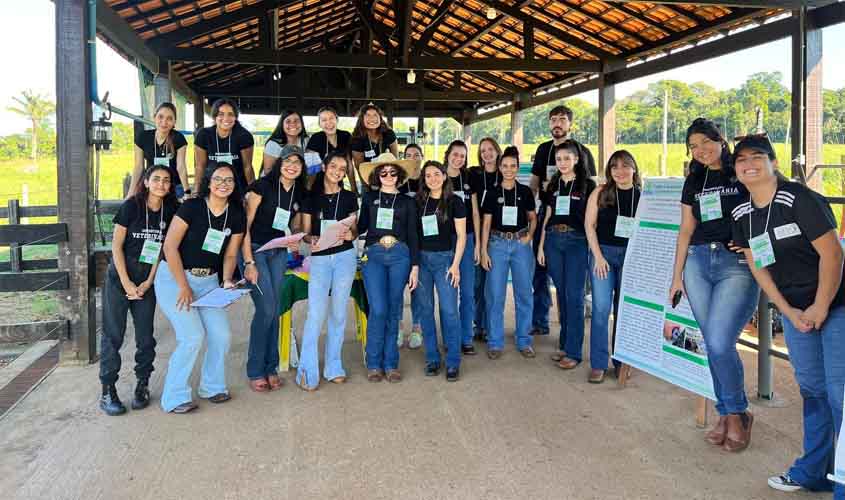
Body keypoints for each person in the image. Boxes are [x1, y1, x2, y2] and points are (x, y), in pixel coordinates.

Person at [729, 134, 845, 495]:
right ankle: (814, 472)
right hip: (797, 313)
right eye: (741, 159)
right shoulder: (742, 215)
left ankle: (842, 480)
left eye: (757, 157)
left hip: (836, 305)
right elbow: (757, 266)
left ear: (773, 162)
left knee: (840, 391)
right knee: (813, 390)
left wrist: (820, 306)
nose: (749, 164)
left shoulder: (799, 200)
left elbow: (833, 255)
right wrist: (789, 312)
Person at [668, 118, 759, 451]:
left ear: (720, 140)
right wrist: (676, 276)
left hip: (734, 264)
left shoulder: (741, 171)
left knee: (720, 343)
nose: (701, 150)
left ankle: (735, 412)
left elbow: (766, 208)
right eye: (693, 146)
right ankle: (729, 413)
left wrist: (752, 244)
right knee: (712, 342)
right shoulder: (694, 179)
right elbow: (685, 230)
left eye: (706, 142)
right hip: (696, 262)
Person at [156, 162, 246, 414]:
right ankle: (173, 396)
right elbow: (170, 247)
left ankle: (212, 386)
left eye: (229, 180)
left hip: (209, 281)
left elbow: (230, 255)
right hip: (174, 277)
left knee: (221, 335)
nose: (223, 184)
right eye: (218, 179)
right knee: (192, 336)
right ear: (208, 181)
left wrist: (227, 281)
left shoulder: (236, 213)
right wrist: (183, 286)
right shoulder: (192, 207)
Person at [99, 165, 178, 415]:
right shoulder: (131, 206)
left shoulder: (171, 210)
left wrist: (148, 282)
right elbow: (116, 246)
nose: (161, 184)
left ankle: (142, 383)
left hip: (146, 279)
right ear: (145, 182)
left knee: (145, 336)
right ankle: (107, 390)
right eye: (156, 179)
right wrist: (126, 283)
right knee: (114, 335)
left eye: (166, 180)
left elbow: (163, 249)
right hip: (119, 277)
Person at [240, 145, 307, 392]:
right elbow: (243, 227)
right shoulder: (261, 187)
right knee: (266, 308)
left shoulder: (297, 193)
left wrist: (298, 237)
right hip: (255, 250)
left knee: (275, 308)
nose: (292, 166)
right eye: (288, 161)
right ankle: (256, 369)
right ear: (279, 162)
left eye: (297, 163)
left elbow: (295, 225)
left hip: (278, 251)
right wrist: (248, 261)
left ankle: (271, 366)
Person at [529, 105, 597, 337]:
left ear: (570, 124)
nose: (557, 123)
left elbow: (593, 187)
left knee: (573, 288)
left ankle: (571, 331)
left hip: (577, 227)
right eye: (553, 119)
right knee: (540, 270)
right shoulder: (543, 150)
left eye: (562, 119)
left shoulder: (583, 151)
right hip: (548, 216)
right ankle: (540, 320)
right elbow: (534, 183)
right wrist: (528, 209)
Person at [297, 151, 359, 391]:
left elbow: (354, 230)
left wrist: (349, 234)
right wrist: (310, 239)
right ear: (325, 167)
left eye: (342, 169)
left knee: (339, 313)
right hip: (321, 258)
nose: (337, 172)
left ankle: (334, 366)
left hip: (345, 257)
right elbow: (305, 233)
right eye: (334, 166)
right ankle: (307, 370)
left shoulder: (350, 197)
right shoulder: (310, 198)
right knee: (316, 314)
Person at [357, 152, 420, 383]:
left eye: (393, 172)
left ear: (400, 175)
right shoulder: (369, 198)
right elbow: (361, 225)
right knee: (379, 309)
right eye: (383, 172)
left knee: (394, 310)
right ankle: (373, 361)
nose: (388, 175)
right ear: (376, 175)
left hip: (400, 256)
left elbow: (414, 235)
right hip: (373, 255)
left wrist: (415, 266)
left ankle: (391, 363)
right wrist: (345, 227)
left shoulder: (408, 201)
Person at [583, 150, 641, 383]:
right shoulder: (600, 193)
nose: (620, 171)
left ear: (634, 169)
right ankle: (598, 363)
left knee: (624, 311)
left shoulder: (643, 196)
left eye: (625, 166)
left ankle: (621, 361)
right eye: (615, 167)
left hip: (631, 257)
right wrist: (597, 256)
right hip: (603, 255)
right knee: (601, 308)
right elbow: (589, 225)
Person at [537, 140, 596, 369]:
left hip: (577, 242)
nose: (562, 163)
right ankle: (564, 345)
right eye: (559, 159)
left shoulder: (588, 186)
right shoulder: (553, 184)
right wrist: (541, 246)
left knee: (574, 296)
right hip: (553, 240)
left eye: (567, 158)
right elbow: (547, 216)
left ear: (577, 159)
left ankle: (574, 352)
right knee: (562, 294)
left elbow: (592, 220)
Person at [480, 146, 537, 359]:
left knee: (524, 293)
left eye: (513, 166)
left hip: (520, 246)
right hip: (497, 245)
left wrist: (529, 236)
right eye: (505, 165)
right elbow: (485, 224)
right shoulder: (493, 193)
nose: (509, 169)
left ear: (518, 167)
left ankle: (524, 340)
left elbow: (533, 218)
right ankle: (495, 342)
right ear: (500, 167)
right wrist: (485, 251)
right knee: (495, 295)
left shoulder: (525, 192)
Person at [414, 160, 467, 381]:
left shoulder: (454, 201)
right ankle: (433, 359)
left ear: (445, 176)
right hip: (423, 261)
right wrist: (414, 265)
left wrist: (455, 265)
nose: (432, 179)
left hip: (445, 260)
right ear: (423, 179)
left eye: (436, 174)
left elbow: (462, 236)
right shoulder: (418, 202)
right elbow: (413, 236)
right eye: (428, 175)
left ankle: (453, 361)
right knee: (426, 311)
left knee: (449, 311)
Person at [443, 140, 480, 355]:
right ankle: (450, 338)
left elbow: (475, 212)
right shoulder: (438, 176)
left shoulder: (469, 179)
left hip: (466, 240)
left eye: (462, 156)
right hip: (444, 242)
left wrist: (475, 244)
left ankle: (466, 338)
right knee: (448, 294)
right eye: (455, 154)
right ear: (448, 154)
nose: (458, 159)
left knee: (467, 292)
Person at [470, 137, 502, 343]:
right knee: (477, 283)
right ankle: (478, 325)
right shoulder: (474, 174)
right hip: (477, 228)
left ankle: (491, 326)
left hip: (497, 234)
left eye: (491, 149)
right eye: (483, 151)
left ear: (497, 151)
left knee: (493, 284)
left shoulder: (505, 173)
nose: (487, 154)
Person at [194, 98, 255, 195]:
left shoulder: (244, 136)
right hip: (212, 187)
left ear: (235, 117)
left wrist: (252, 191)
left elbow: (247, 167)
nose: (226, 118)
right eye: (221, 114)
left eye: (230, 114)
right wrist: (196, 191)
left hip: (237, 187)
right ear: (214, 117)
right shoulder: (204, 135)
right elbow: (200, 167)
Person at [129, 102, 189, 198]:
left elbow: (181, 167)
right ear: (154, 117)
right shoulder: (143, 137)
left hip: (173, 186)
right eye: (160, 117)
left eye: (169, 119)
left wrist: (187, 192)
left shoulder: (179, 138)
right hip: (150, 185)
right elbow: (138, 167)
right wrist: (131, 193)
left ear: (174, 122)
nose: (164, 122)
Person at [398, 143, 423, 350]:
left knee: (418, 289)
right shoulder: (397, 182)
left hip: (422, 242)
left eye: (416, 155)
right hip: (401, 241)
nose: (413, 158)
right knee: (397, 288)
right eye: (408, 155)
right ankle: (398, 326)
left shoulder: (428, 180)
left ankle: (417, 327)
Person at [350, 103, 399, 179]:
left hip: (388, 175)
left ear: (380, 118)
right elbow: (359, 167)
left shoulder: (389, 134)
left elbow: (395, 159)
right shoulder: (357, 139)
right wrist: (366, 184)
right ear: (361, 119)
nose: (372, 118)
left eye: (375, 115)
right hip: (368, 176)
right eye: (368, 115)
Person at [263, 110, 308, 176]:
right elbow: (268, 171)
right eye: (288, 121)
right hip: (273, 182)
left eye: (296, 121)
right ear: (282, 125)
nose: (293, 124)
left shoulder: (306, 141)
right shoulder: (273, 144)